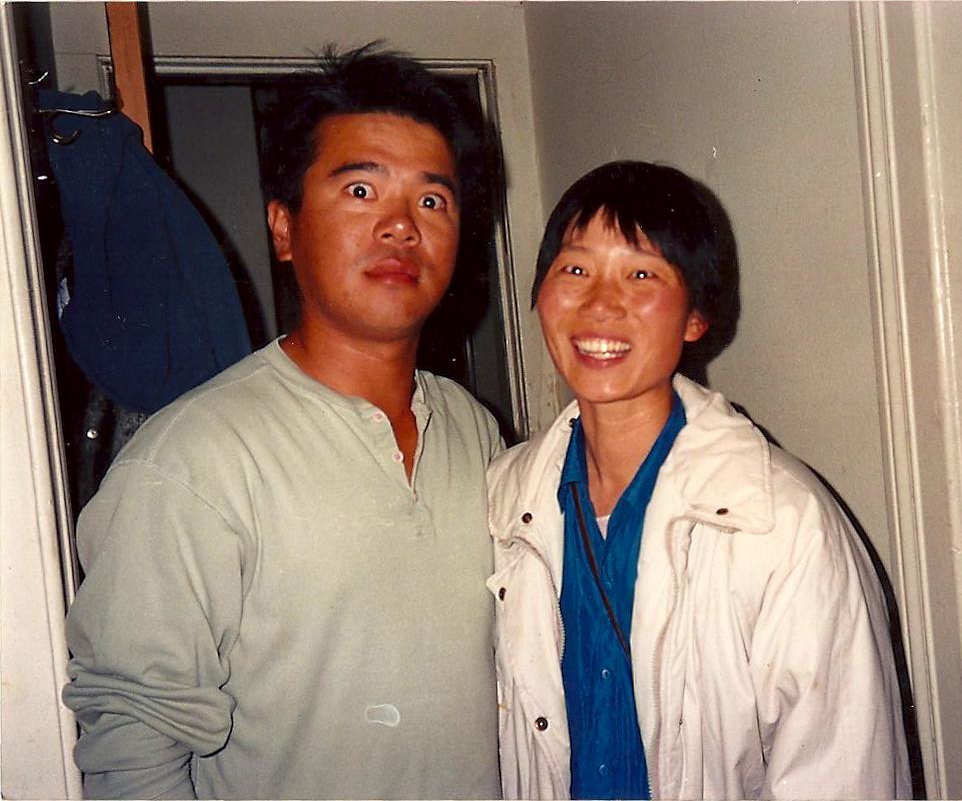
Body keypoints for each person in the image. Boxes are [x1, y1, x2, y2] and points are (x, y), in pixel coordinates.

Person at [62, 43, 503, 800]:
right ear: (284, 228)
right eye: (361, 190)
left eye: (432, 201)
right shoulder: (191, 460)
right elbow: (133, 750)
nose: (401, 226)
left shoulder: (473, 428)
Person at [486, 161, 912, 800]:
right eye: (574, 270)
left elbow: (846, 774)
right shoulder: (501, 499)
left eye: (641, 275)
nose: (599, 303)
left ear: (695, 316)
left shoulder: (782, 521)